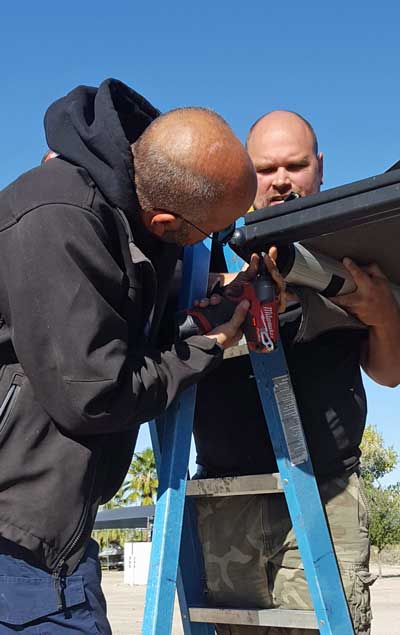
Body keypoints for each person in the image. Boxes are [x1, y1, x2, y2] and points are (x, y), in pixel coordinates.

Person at [0, 78, 257, 633]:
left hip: (49, 532)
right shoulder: (58, 217)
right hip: (20, 539)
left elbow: (115, 332)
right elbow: (94, 393)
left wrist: (201, 306)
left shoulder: (125, 211)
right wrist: (204, 349)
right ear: (167, 223)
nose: (214, 244)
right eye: (209, 234)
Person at [194, 110, 400, 635]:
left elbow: (389, 374)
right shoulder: (206, 250)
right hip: (228, 498)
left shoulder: (352, 248)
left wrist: (380, 313)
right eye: (265, 169)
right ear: (245, 173)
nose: (281, 180)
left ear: (320, 167)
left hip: (325, 495)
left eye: (295, 165)